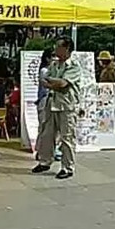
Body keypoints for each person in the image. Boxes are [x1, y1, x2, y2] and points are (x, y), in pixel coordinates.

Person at [32, 36, 81, 180]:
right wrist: (54, 82)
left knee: (67, 137)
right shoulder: (54, 65)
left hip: (67, 106)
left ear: (66, 49)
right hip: (51, 103)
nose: (55, 49)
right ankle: (45, 161)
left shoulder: (73, 66)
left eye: (58, 47)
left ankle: (67, 167)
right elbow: (44, 80)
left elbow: (63, 83)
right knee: (47, 134)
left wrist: (53, 82)